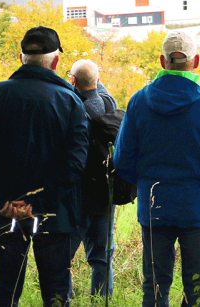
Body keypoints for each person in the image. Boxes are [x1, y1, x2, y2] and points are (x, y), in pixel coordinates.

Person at [113, 30, 200, 307]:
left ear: (162, 60)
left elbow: (122, 161)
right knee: (198, 289)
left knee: (155, 288)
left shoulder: (138, 101)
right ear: (195, 61)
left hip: (153, 206)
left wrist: (146, 182)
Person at [0, 26, 90, 307]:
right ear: (56, 61)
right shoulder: (70, 101)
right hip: (55, 212)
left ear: (21, 57)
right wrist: (40, 202)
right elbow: (74, 163)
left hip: (5, 211)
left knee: (6, 290)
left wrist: (3, 199)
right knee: (56, 292)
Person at [68, 58, 119, 299]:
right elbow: (95, 84)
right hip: (104, 194)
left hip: (77, 195)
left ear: (73, 81)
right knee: (102, 258)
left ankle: (62, 299)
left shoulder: (70, 105)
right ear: (98, 81)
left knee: (62, 257)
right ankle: (101, 301)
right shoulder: (109, 104)